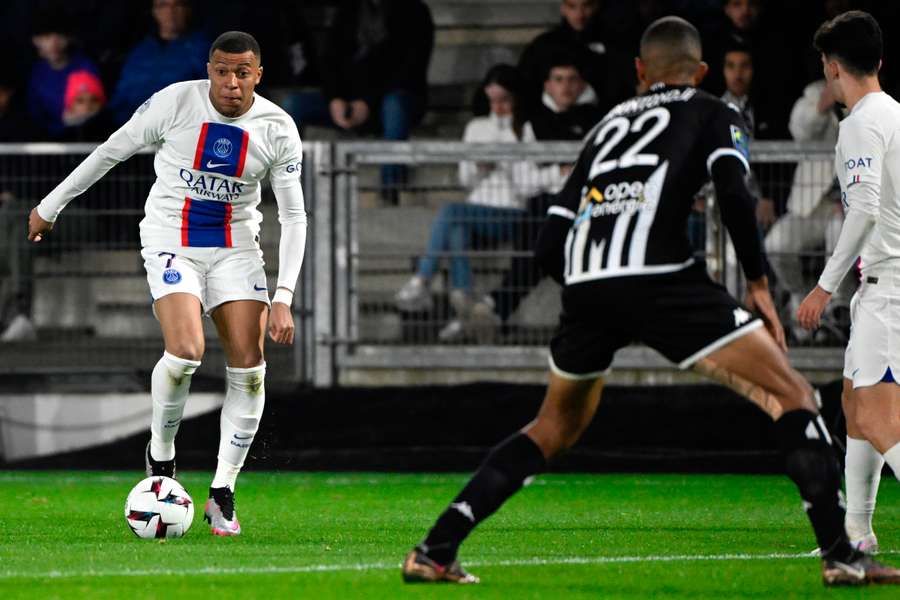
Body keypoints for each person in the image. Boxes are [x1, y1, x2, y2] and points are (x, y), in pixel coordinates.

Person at [402, 16, 900, 586]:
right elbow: (735, 193)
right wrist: (758, 285)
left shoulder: (607, 125)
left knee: (551, 427)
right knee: (795, 396)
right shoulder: (715, 111)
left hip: (589, 283)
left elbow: (548, 239)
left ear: (639, 72)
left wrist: (590, 294)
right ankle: (841, 554)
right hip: (663, 278)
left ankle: (435, 548)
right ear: (704, 71)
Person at [27, 31, 307, 537]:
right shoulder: (176, 102)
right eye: (222, 70)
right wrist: (50, 205)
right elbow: (111, 151)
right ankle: (161, 460)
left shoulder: (278, 128)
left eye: (242, 72)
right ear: (209, 69)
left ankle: (222, 492)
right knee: (185, 353)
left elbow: (294, 216)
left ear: (258, 75)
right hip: (171, 238)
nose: (230, 82)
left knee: (251, 368)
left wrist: (283, 297)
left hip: (236, 248)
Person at [797, 10, 900, 558]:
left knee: (876, 416)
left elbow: (863, 209)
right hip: (886, 285)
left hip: (888, 286)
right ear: (878, 61)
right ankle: (856, 532)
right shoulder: (896, 114)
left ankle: (855, 531)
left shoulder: (861, 122)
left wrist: (823, 286)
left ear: (832, 69)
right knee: (853, 401)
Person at [394, 65, 554, 342]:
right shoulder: (476, 127)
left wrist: (502, 160)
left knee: (450, 212)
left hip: (512, 212)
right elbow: (465, 178)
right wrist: (480, 165)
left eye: (504, 99)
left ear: (515, 97)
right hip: (476, 209)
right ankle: (464, 306)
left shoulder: (526, 128)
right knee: (456, 228)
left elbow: (528, 183)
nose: (498, 106)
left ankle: (422, 280)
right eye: (493, 99)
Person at [471, 56, 602, 339]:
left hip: (589, 204)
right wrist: (562, 171)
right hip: (547, 205)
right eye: (558, 79)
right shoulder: (531, 122)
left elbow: (596, 172)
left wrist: (564, 175)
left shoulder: (597, 120)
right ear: (547, 85)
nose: (565, 87)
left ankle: (498, 304)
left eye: (571, 79)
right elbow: (526, 182)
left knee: (545, 243)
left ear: (581, 84)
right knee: (542, 234)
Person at [287, 0, 434, 204]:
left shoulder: (415, 12)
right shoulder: (349, 10)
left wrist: (368, 103)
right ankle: (287, 186)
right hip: (348, 102)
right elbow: (329, 61)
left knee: (395, 106)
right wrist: (335, 99)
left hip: (393, 100)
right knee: (293, 105)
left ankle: (389, 189)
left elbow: (410, 70)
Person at [766, 80, 845, 343]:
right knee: (776, 243)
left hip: (848, 208)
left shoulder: (869, 100)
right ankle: (799, 296)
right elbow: (800, 129)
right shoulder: (811, 96)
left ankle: (837, 313)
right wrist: (826, 102)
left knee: (841, 237)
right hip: (809, 205)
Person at [518, 0, 633, 116]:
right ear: (563, 8)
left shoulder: (615, 44)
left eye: (586, 6)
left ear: (596, 6)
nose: (579, 14)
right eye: (572, 6)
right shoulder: (543, 46)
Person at [107, 0, 209, 126]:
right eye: (163, 5)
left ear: (187, 10)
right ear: (154, 11)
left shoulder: (202, 50)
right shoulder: (139, 52)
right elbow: (121, 98)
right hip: (133, 130)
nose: (170, 11)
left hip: (179, 130)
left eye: (177, 5)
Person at [26, 14, 106, 140]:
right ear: (35, 40)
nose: (54, 43)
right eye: (46, 37)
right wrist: (62, 126)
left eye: (60, 36)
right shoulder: (36, 74)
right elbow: (36, 118)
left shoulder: (86, 66)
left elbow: (98, 107)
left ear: (69, 38)